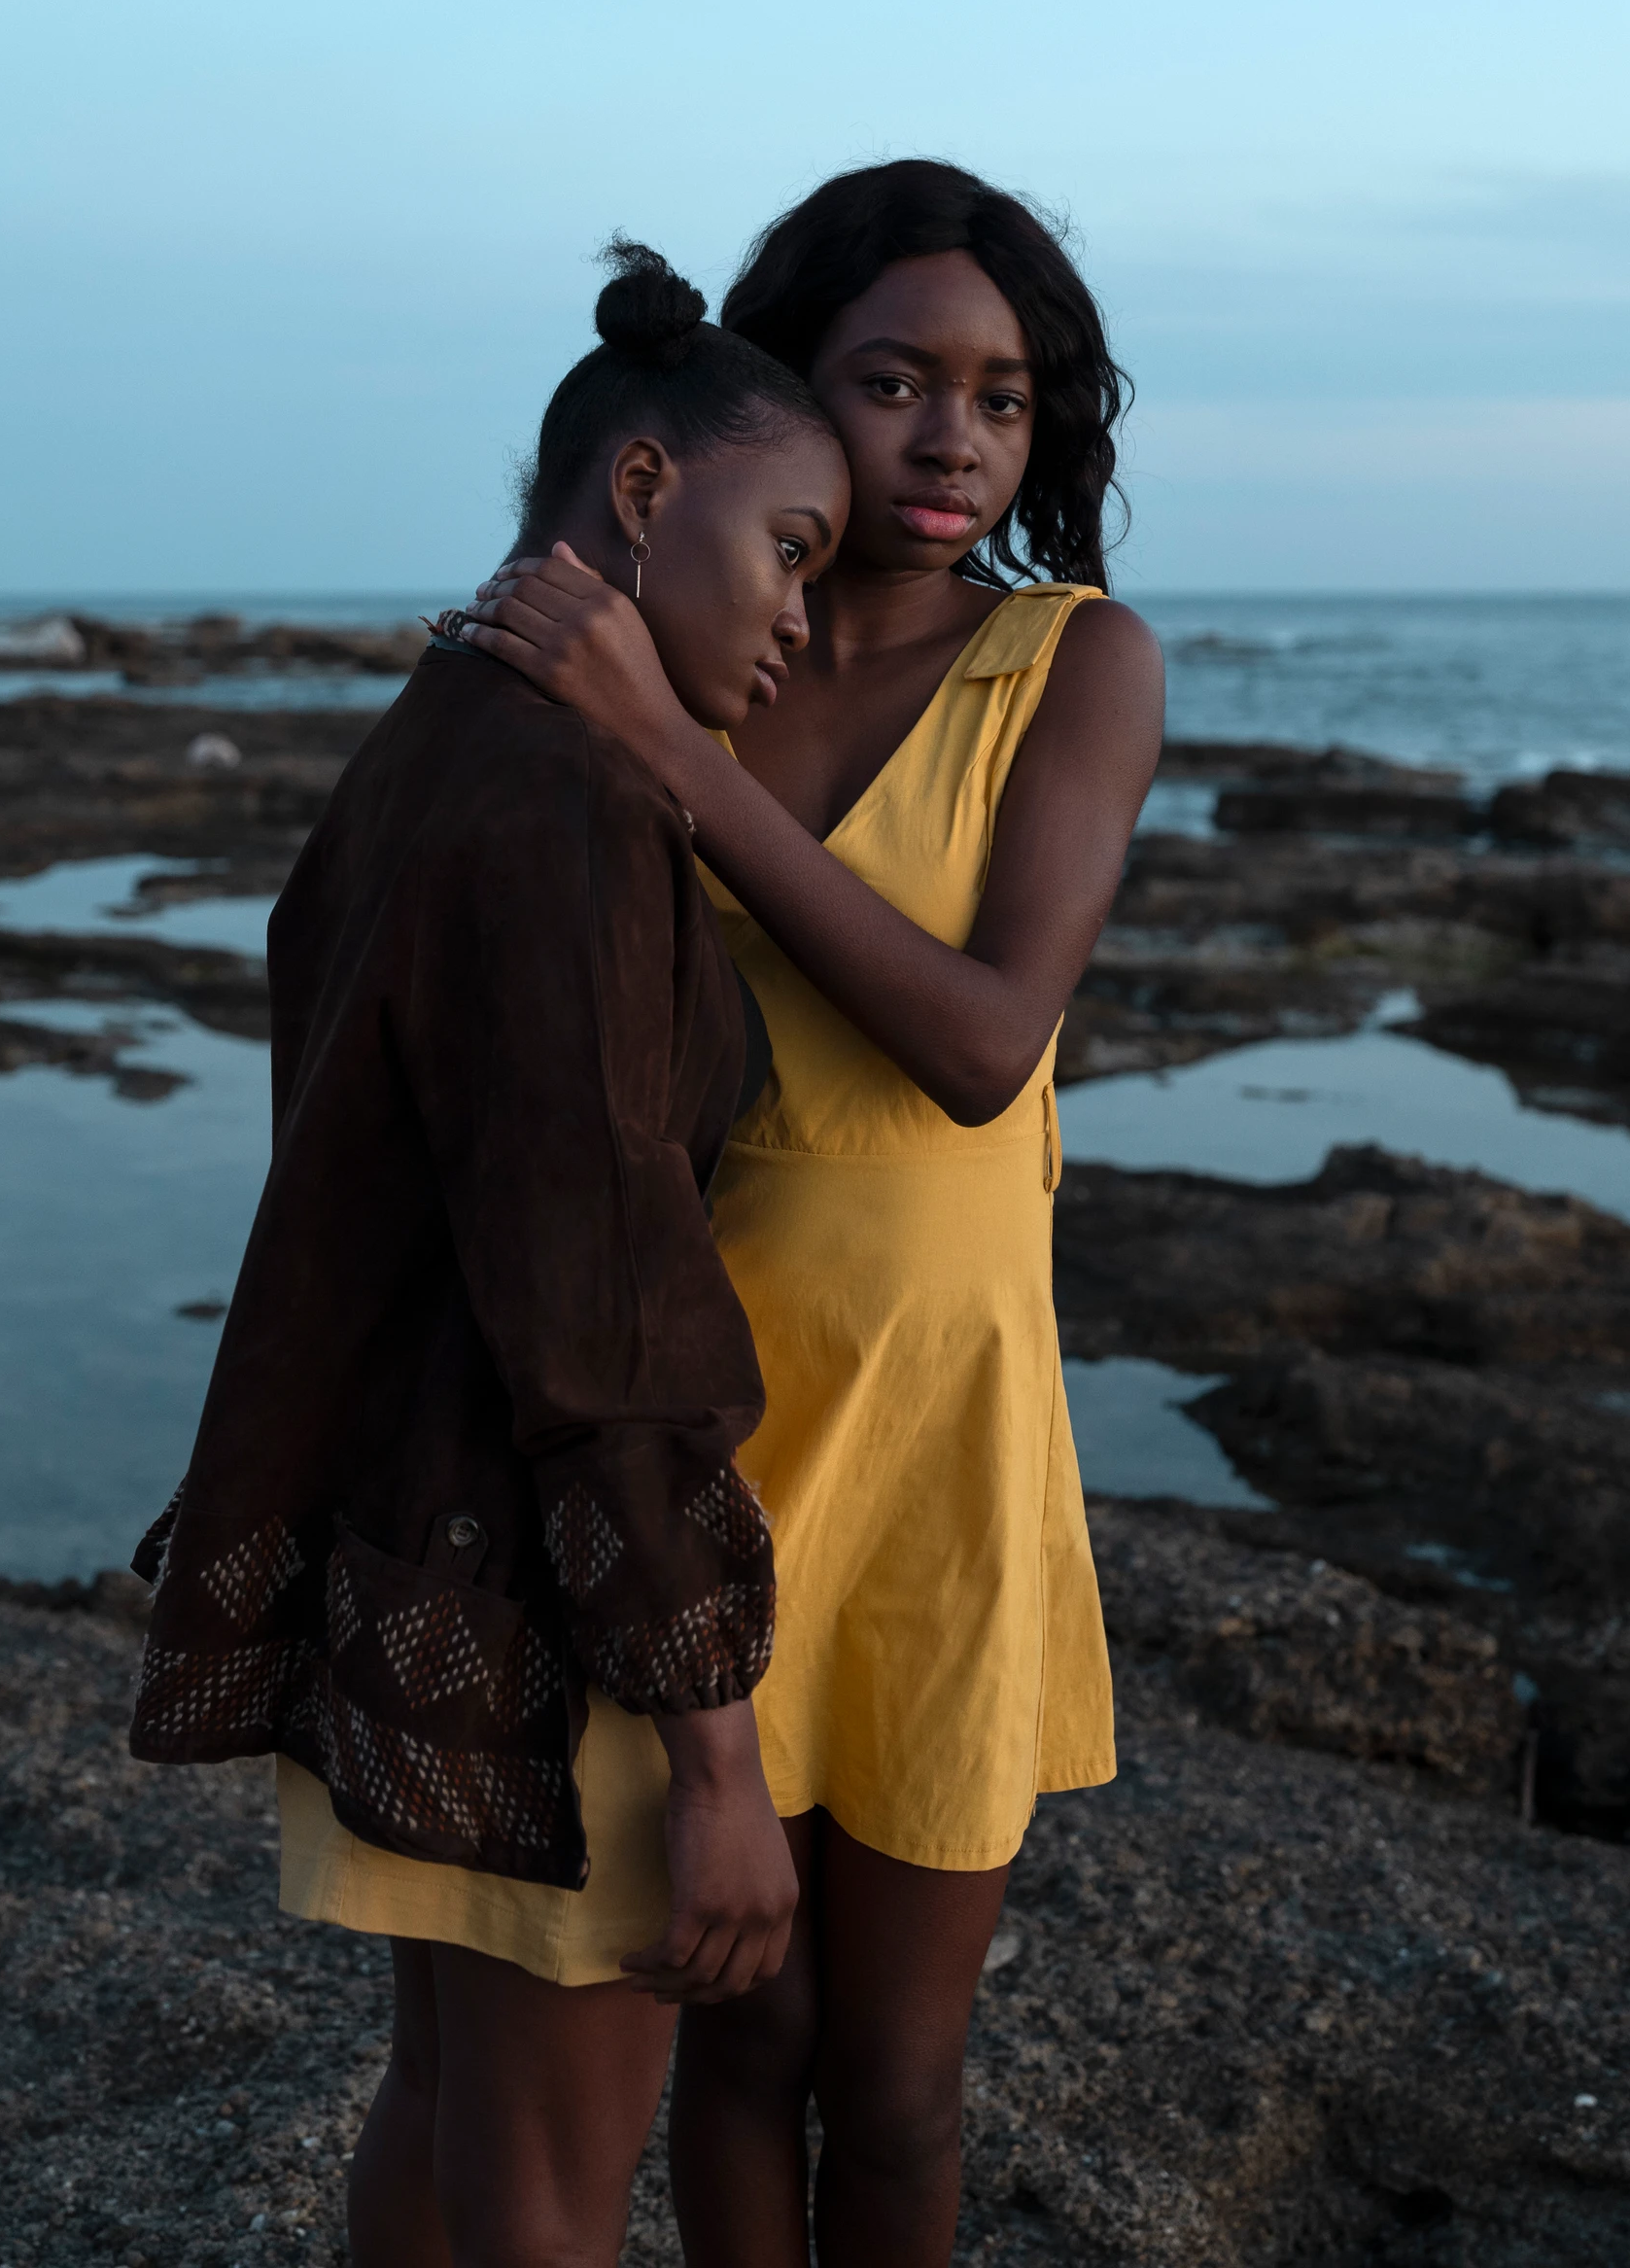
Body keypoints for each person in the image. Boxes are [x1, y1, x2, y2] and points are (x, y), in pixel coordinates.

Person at [462, 159, 1165, 2267]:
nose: (955, 440)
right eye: (897, 380)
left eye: (1006, 399)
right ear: (791, 383)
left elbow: (984, 1042)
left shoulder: (1075, 664)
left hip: (943, 1428)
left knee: (904, 2074)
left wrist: (677, 766)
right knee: (739, 2039)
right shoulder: (697, 648)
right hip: (699, 1423)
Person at [126, 241, 850, 2268]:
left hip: (407, 1552)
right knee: (540, 2193)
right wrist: (715, 1751)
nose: (800, 617)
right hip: (538, 1607)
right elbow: (599, 1299)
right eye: (789, 549)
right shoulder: (565, 803)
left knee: (446, 2115)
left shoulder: (434, 734)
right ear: (643, 486)